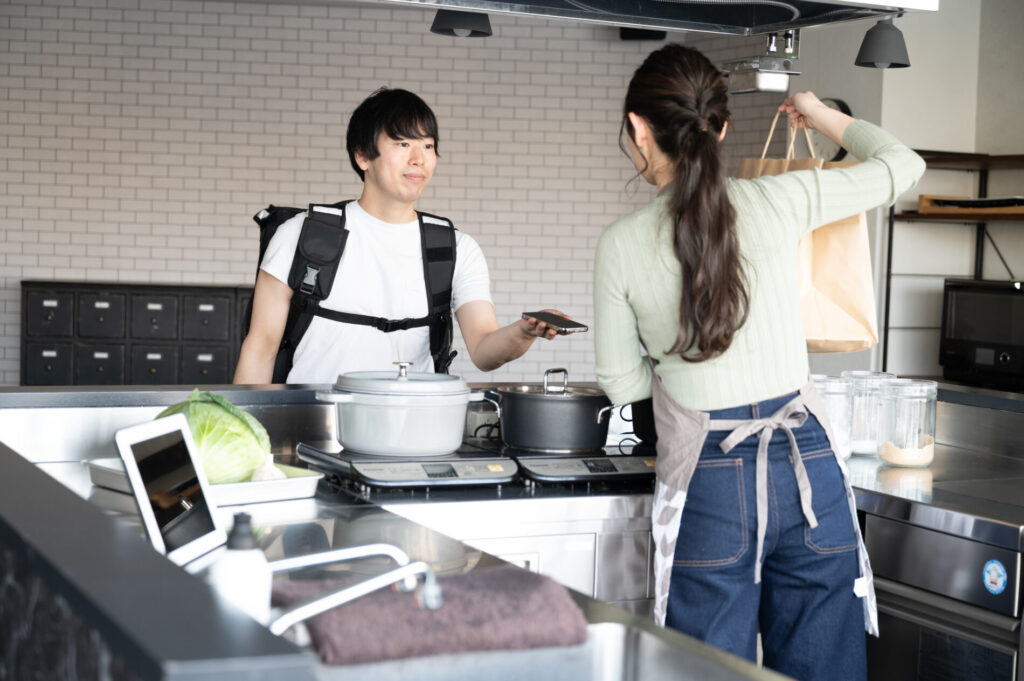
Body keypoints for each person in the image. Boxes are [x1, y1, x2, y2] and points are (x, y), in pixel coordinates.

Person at [593, 44, 925, 681]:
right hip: (810, 469)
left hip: (709, 480)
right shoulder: (781, 199)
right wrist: (819, 112)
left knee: (708, 669)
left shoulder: (622, 243)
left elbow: (621, 382)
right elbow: (903, 163)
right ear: (720, 128)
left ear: (639, 127)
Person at [234, 88, 563, 384]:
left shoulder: (456, 248)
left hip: (412, 430)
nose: (419, 158)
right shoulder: (300, 234)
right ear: (363, 156)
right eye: (403, 143)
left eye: (428, 145)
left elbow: (484, 350)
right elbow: (260, 349)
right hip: (310, 425)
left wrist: (524, 332)